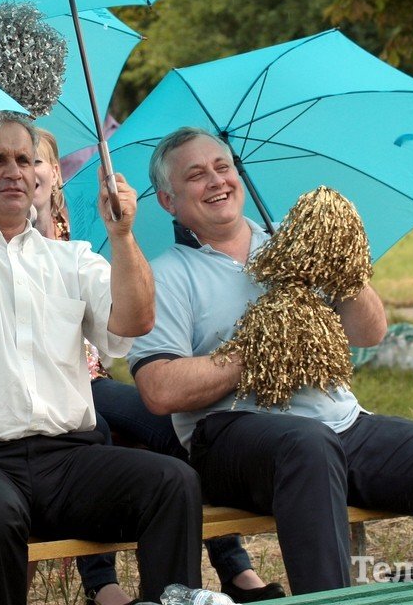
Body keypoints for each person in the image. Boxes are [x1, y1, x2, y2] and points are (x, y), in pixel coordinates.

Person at [130, 126, 413, 595]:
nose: (216, 181)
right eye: (196, 175)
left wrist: (344, 266)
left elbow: (369, 332)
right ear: (168, 201)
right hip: (231, 437)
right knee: (308, 446)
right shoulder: (166, 275)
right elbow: (158, 389)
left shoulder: (293, 243)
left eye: (223, 167)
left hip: (340, 425)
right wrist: (259, 350)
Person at [0, 113, 202, 605]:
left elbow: (134, 321)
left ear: (39, 175)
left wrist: (122, 236)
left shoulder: (70, 258)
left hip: (67, 458)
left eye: (24, 160)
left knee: (171, 482)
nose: (14, 171)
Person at [32, 129, 282, 604]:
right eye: (23, 165)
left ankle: (235, 569)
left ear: (55, 175)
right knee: (95, 435)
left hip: (94, 374)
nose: (31, 172)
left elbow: (120, 317)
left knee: (179, 431)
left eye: (41, 162)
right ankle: (103, 585)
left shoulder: (83, 227)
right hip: (55, 385)